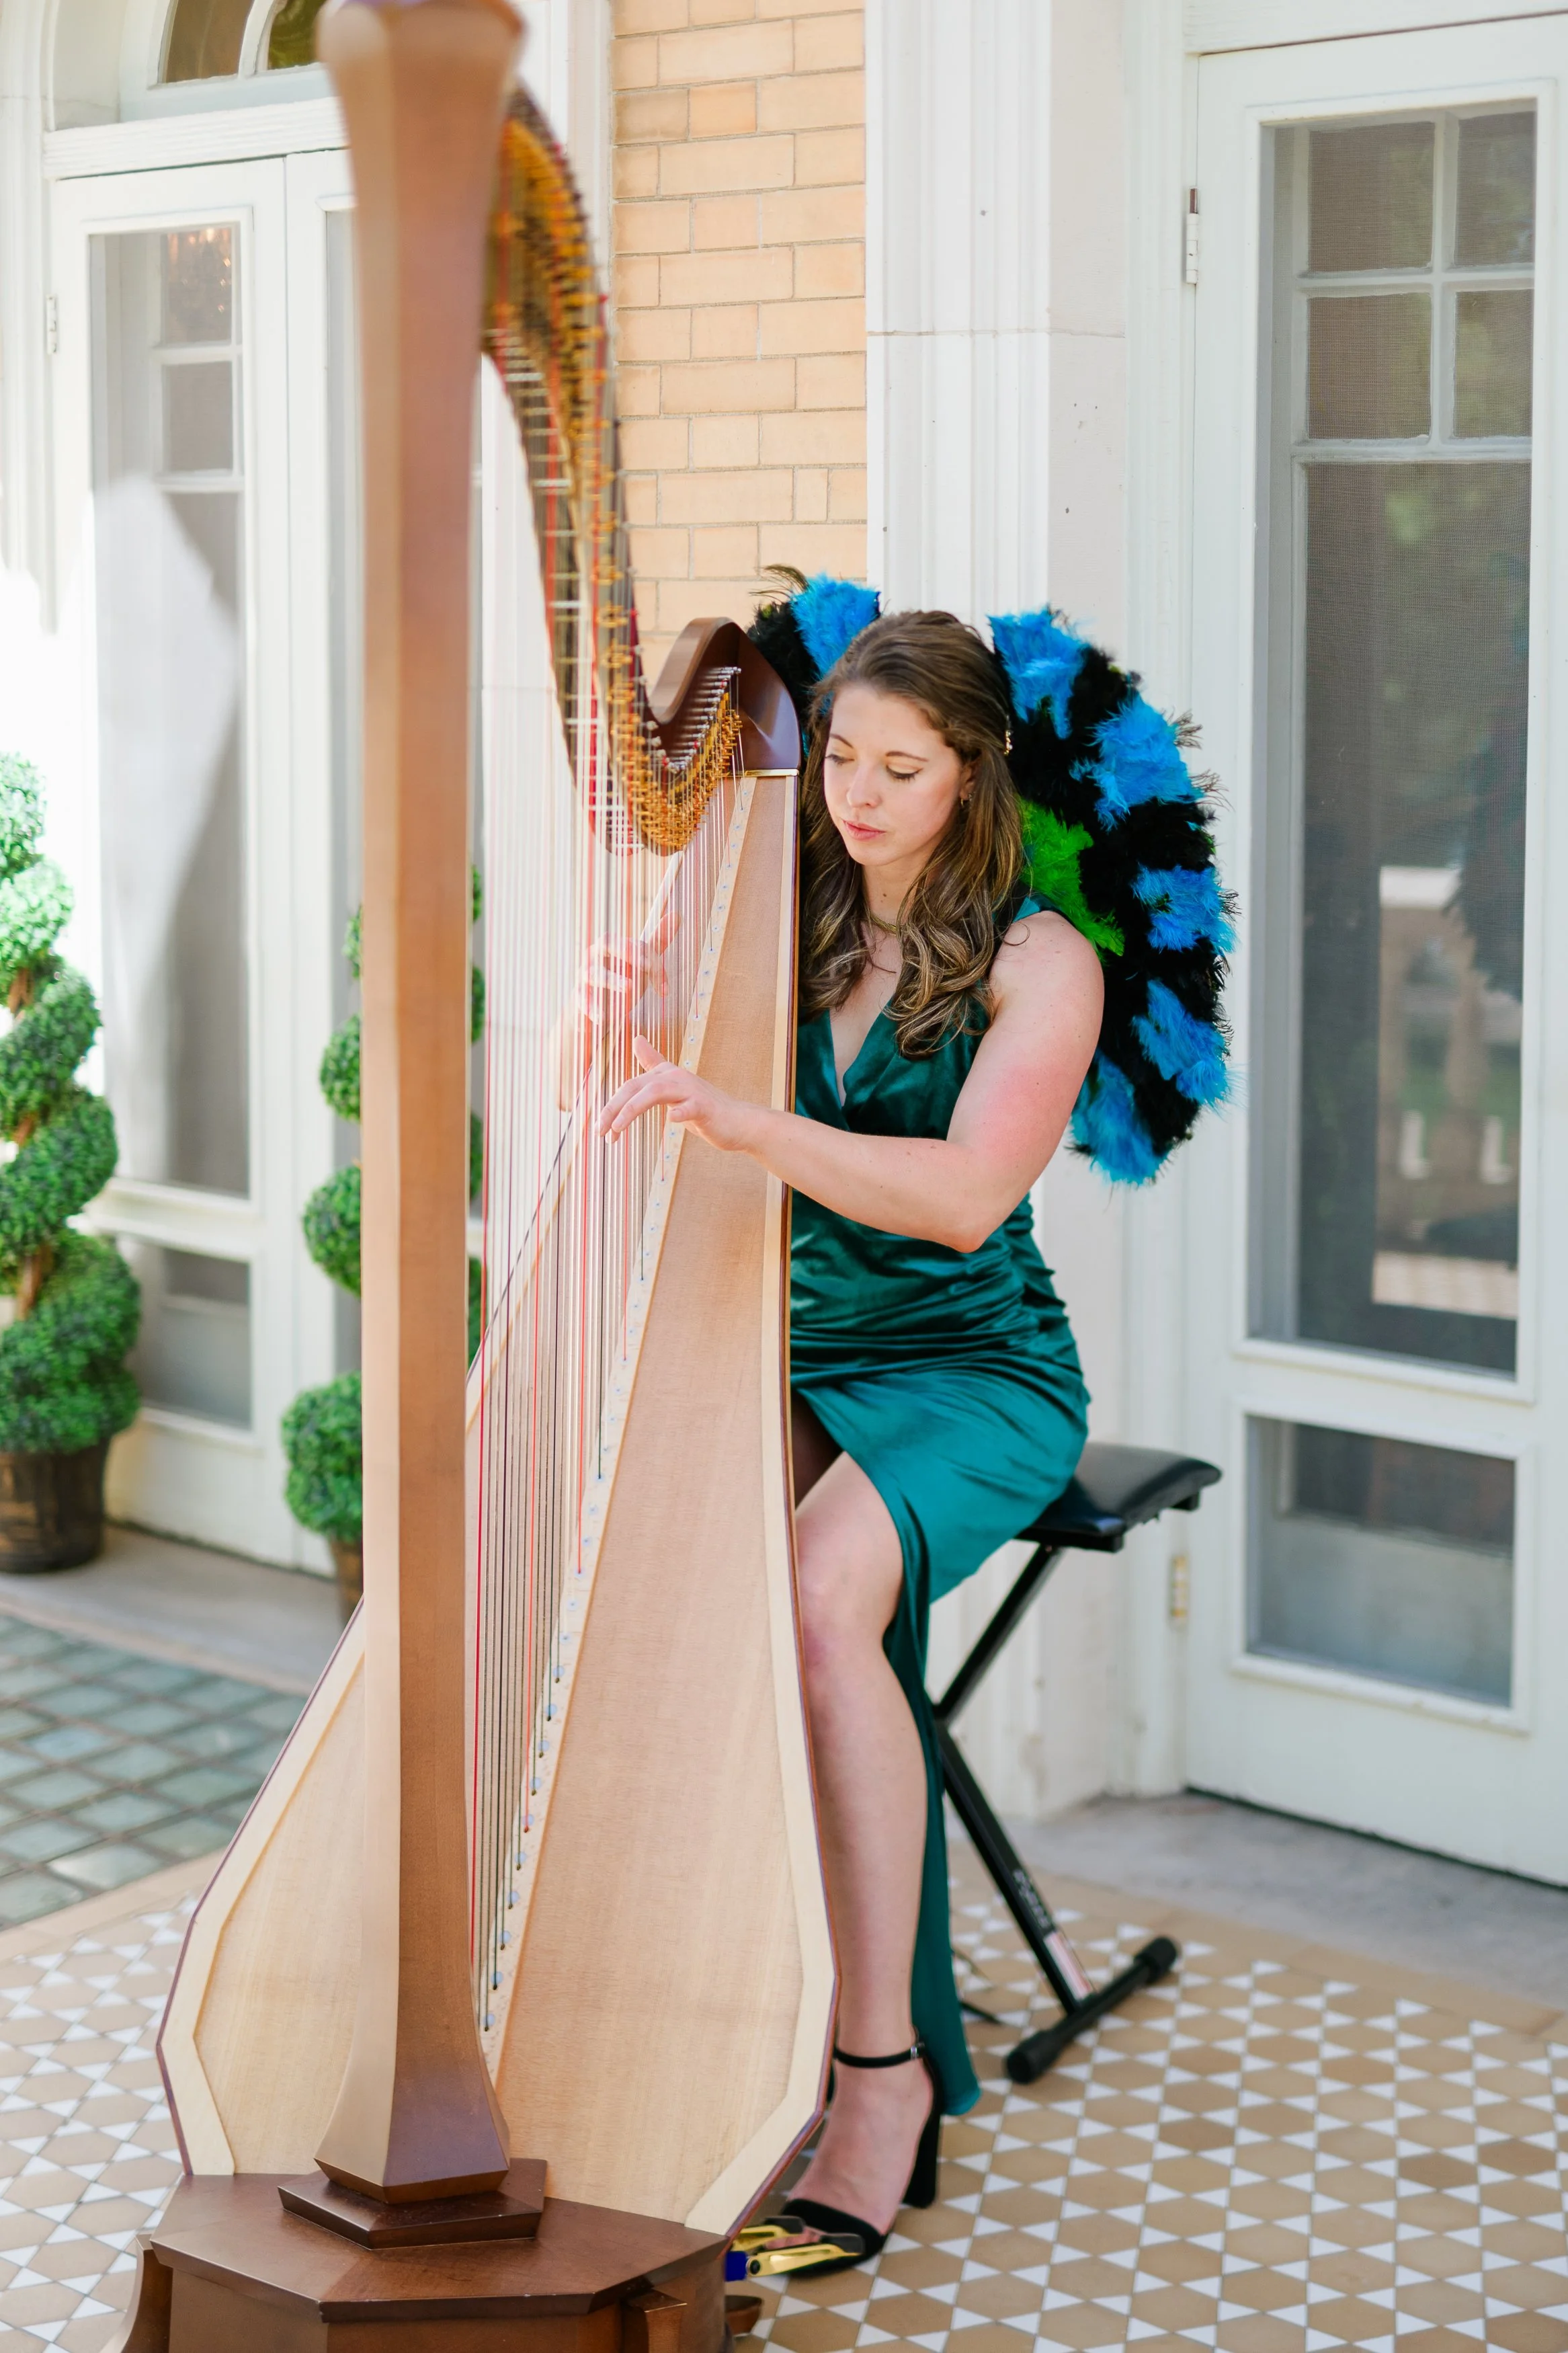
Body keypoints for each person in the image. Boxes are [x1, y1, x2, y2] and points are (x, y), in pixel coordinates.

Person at [597, 610, 1103, 2272]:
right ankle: (720, 2007)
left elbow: (961, 1205)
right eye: (839, 760)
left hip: (973, 1370)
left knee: (821, 1600)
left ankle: (875, 2075)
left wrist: (745, 1116)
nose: (860, 795)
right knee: (664, 1592)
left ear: (971, 778)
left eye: (901, 769)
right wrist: (598, 1016)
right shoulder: (771, 909)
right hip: (796, 1347)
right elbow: (592, 1085)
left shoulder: (1042, 964)